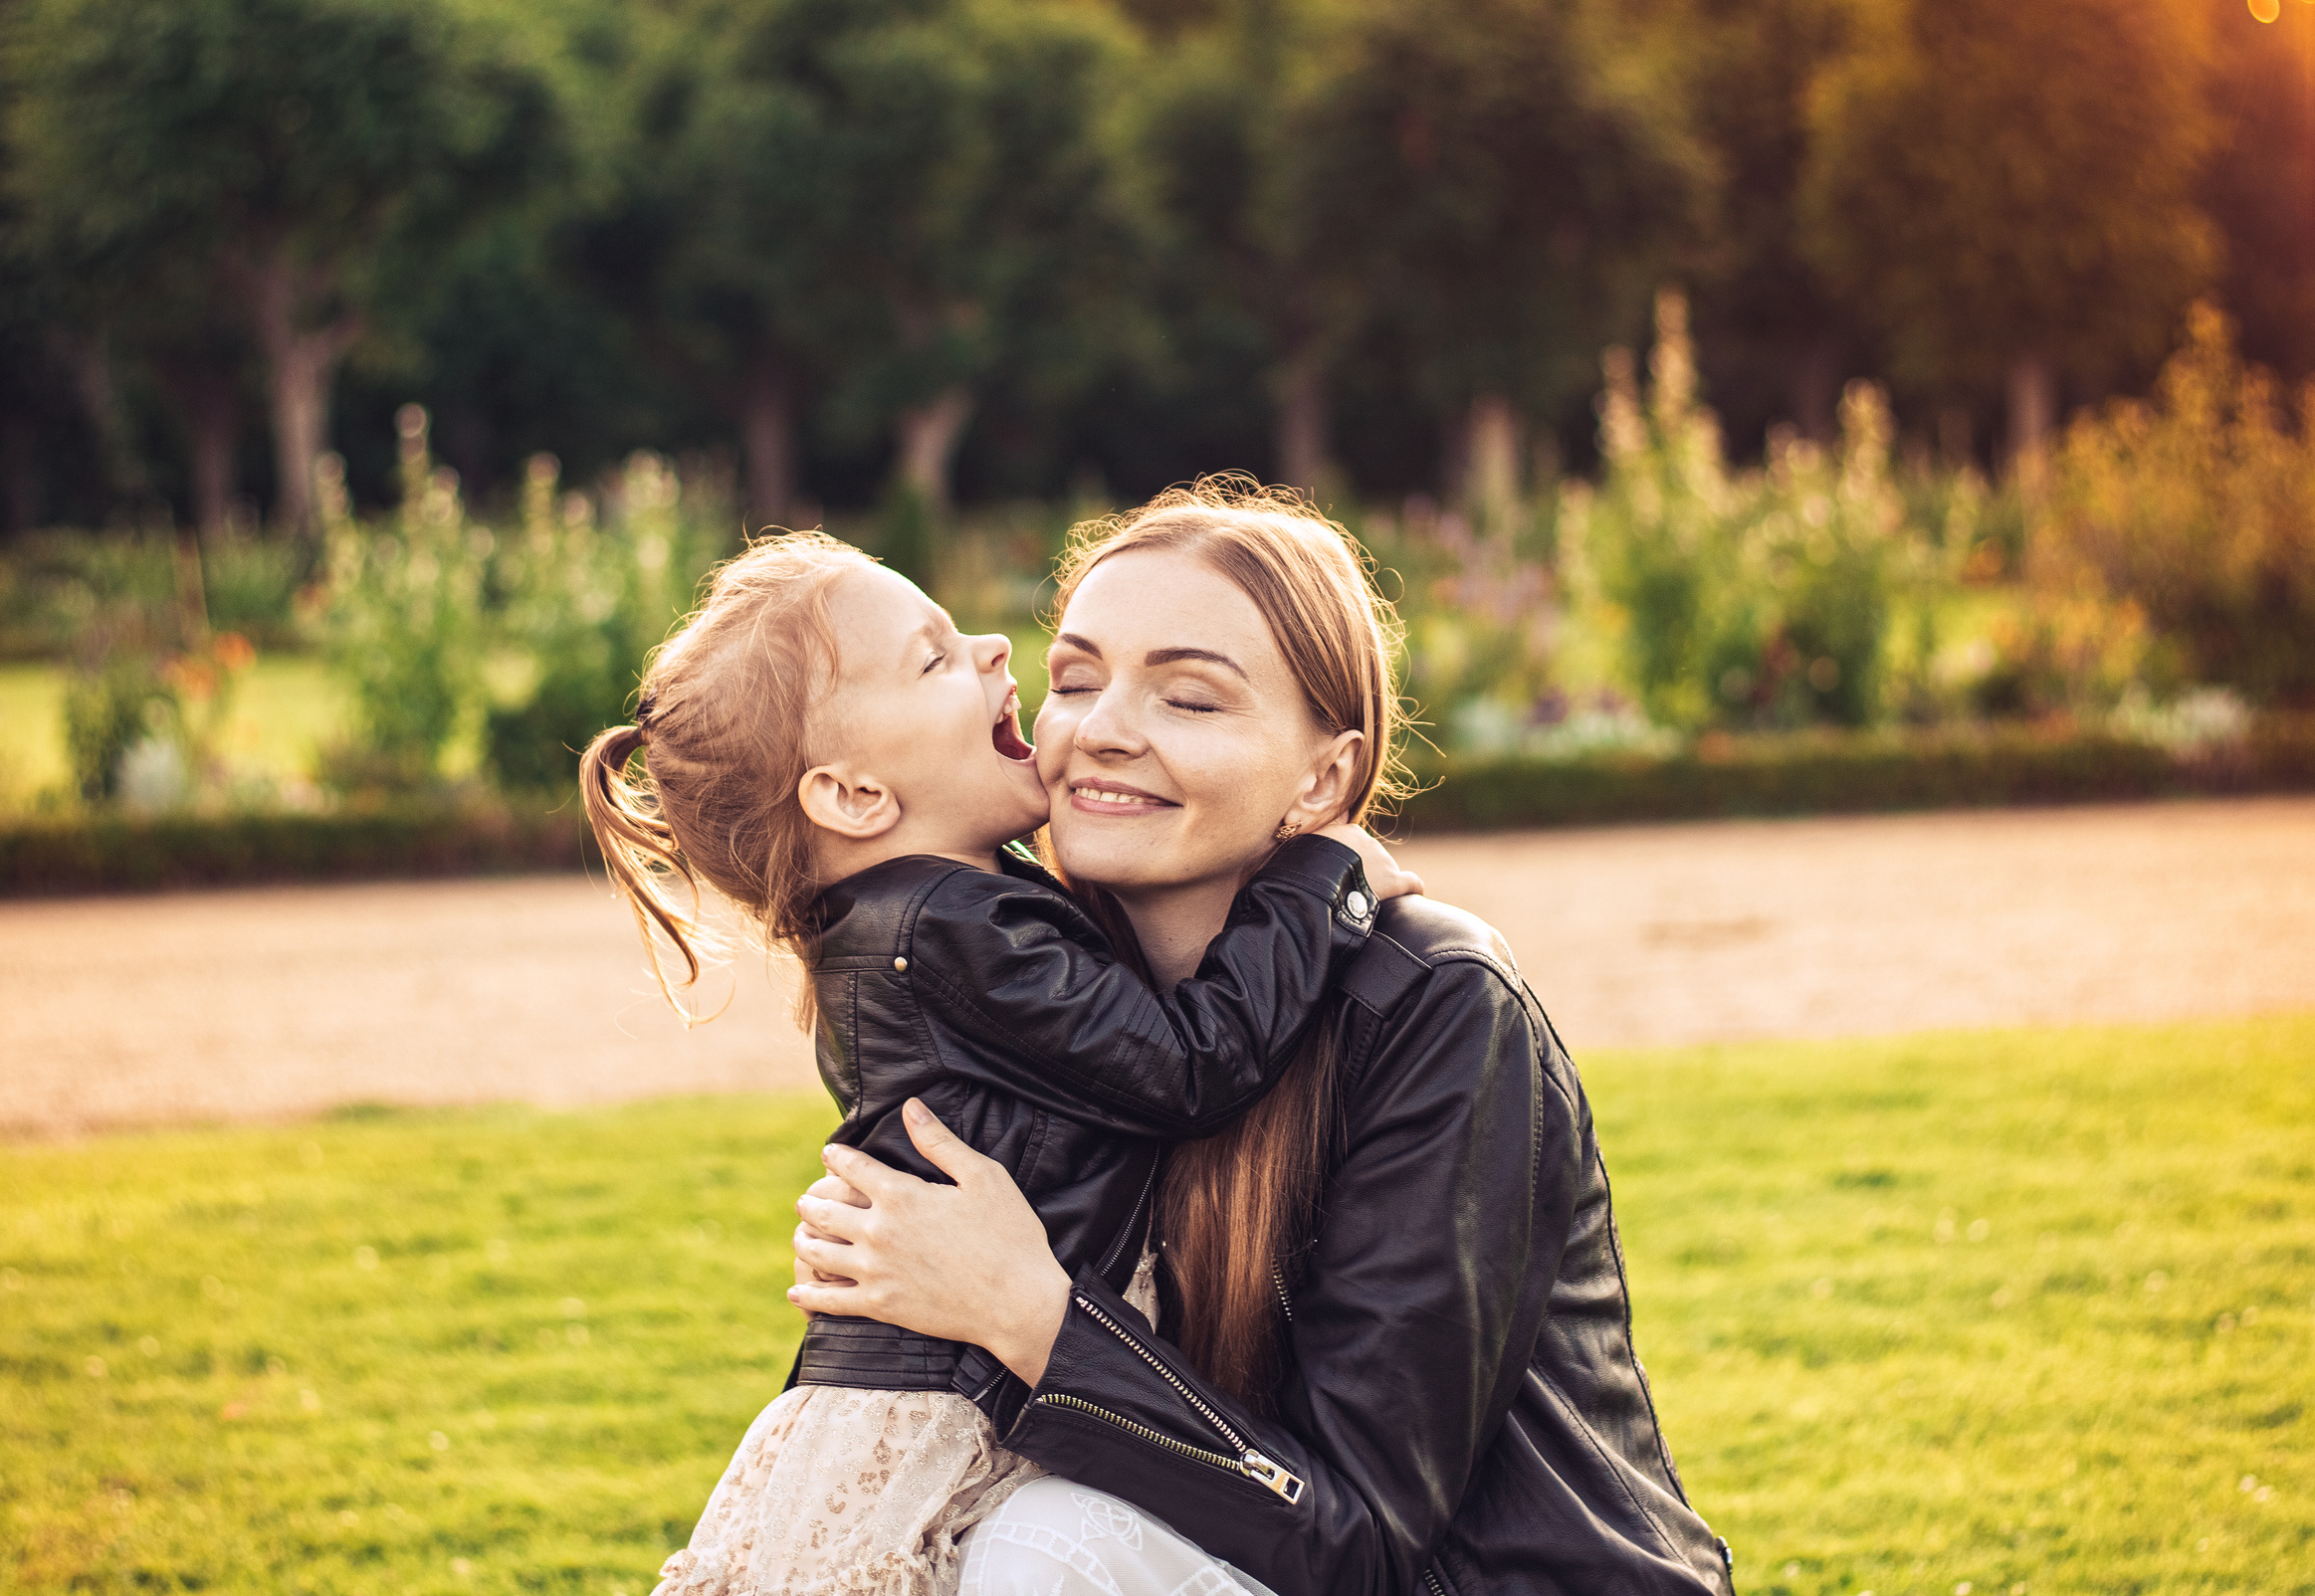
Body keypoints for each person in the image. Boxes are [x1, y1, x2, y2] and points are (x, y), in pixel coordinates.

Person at [789, 481, 1736, 1596]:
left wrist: (1031, 1316)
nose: (1100, 730)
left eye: (1189, 701)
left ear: (1323, 779)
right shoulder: (1038, 1003)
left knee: (1044, 1547)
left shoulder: (1434, 1004)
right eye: (1076, 679)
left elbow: (1361, 1543)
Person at [575, 527, 1421, 1596]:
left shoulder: (924, 920)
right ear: (854, 797)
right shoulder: (944, 931)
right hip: (938, 1415)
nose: (988, 648)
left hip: (950, 1389)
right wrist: (1320, 878)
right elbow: (1189, 1065)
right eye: (931, 658)